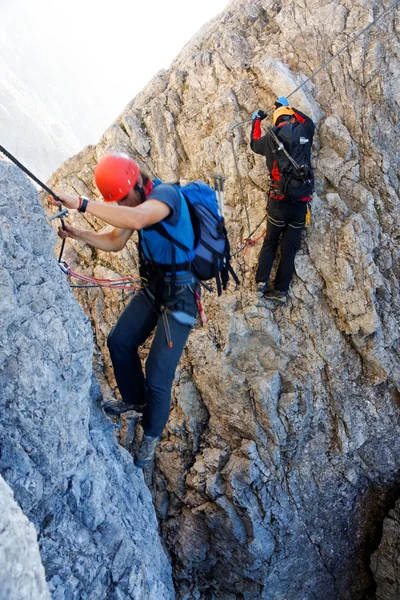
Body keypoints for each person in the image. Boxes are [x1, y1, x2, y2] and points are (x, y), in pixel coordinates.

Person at [50, 153, 198, 468]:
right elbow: (116, 241)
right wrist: (80, 234)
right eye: (115, 202)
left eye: (122, 199)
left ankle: (150, 438)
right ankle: (134, 400)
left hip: (181, 297)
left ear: (137, 184)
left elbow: (135, 220)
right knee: (119, 341)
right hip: (154, 288)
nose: (122, 206)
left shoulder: (165, 196)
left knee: (158, 374)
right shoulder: (134, 203)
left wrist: (82, 202)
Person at [250, 96, 315, 303]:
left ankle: (261, 284)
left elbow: (253, 144)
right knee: (289, 250)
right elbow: (308, 121)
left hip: (278, 202)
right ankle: (281, 291)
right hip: (300, 204)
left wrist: (257, 120)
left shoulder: (271, 138)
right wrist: (287, 106)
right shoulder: (304, 131)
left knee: (270, 243)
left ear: (276, 121)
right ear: (290, 117)